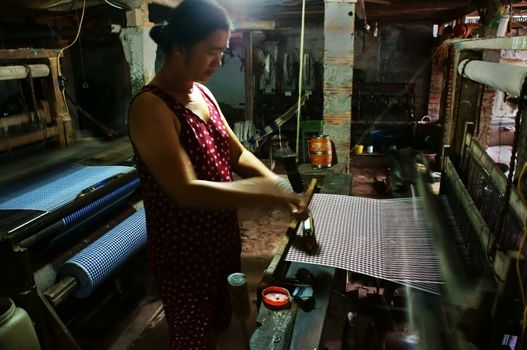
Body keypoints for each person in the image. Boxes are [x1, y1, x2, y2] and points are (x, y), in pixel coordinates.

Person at [127, 1, 307, 349]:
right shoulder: (151, 106)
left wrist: (282, 187)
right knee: (192, 336)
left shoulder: (202, 92)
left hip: (221, 237)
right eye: (211, 51)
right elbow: (185, 190)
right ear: (179, 46)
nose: (219, 61)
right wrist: (265, 192)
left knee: (217, 322)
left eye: (222, 51)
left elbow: (237, 153)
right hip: (184, 251)